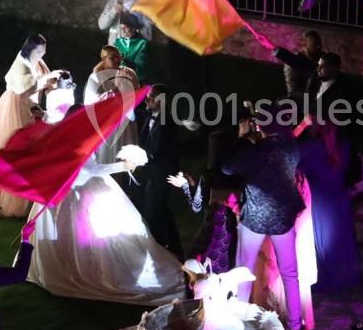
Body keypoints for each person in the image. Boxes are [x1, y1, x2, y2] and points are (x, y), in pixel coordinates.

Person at [27, 136, 185, 306]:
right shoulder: (78, 143)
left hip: (70, 190)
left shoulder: (66, 139)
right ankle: (83, 270)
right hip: (80, 193)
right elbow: (90, 171)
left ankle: (68, 266)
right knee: (87, 234)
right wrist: (122, 166)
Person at [222, 115, 307, 330]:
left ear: (259, 126)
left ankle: (240, 322)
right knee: (290, 273)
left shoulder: (254, 151)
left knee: (244, 270)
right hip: (282, 219)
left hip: (255, 219)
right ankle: (296, 326)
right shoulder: (291, 148)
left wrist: (242, 137)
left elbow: (227, 168)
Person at [0, 34, 66, 217]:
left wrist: (52, 79)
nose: (42, 54)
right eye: (39, 51)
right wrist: (48, 78)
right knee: (15, 148)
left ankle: (29, 193)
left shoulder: (36, 62)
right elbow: (24, 87)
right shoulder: (20, 64)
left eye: (44, 51)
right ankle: (8, 198)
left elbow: (40, 81)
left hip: (29, 106)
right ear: (30, 49)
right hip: (15, 106)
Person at [297, 121, 361, 291]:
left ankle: (330, 280)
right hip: (340, 196)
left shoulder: (311, 148)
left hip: (321, 201)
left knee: (325, 241)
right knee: (344, 237)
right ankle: (349, 276)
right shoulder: (343, 145)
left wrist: (300, 127)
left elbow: (288, 155)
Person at [138, 85, 183, 256]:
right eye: (148, 97)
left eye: (151, 98)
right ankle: (166, 246)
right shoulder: (150, 116)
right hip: (154, 171)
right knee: (157, 209)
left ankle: (166, 246)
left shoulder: (167, 121)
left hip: (164, 173)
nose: (147, 101)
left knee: (155, 209)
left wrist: (142, 157)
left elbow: (158, 149)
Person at [168, 172, 239, 274]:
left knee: (200, 269)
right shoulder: (244, 171)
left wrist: (185, 186)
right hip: (235, 233)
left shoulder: (211, 173)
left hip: (212, 235)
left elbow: (196, 206)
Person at [84, 46, 140, 163]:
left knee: (127, 163)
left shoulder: (128, 72)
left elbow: (136, 98)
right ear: (104, 58)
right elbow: (97, 105)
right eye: (113, 57)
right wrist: (117, 86)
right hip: (108, 128)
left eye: (119, 57)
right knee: (109, 161)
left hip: (126, 124)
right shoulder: (95, 78)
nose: (117, 60)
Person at [263, 30, 323, 98]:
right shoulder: (293, 64)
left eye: (320, 43)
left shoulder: (322, 58)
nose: (319, 47)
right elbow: (293, 92)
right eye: (315, 44)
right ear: (304, 44)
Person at [115, 13, 151, 82]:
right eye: (121, 28)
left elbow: (140, 67)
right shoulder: (119, 42)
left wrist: (124, 61)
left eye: (125, 27)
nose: (122, 30)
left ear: (133, 28)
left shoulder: (142, 44)